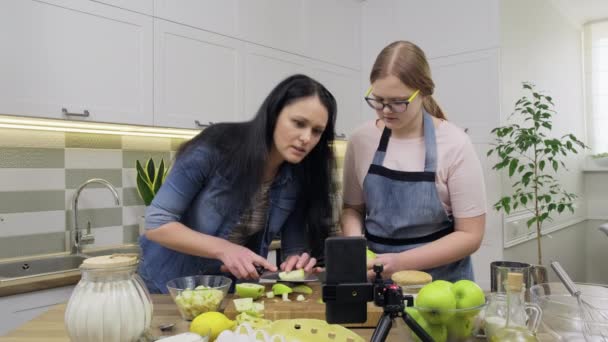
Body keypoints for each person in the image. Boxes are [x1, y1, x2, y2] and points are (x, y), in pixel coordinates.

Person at [138, 74, 337, 294]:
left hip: (227, 290)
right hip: (167, 285)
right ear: (273, 114)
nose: (306, 138)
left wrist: (298, 262)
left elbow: (294, 248)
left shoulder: (299, 176)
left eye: (317, 131)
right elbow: (157, 224)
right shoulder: (215, 147)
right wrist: (224, 249)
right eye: (298, 123)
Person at [341, 41, 486, 282]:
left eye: (398, 102)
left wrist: (400, 262)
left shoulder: (455, 143)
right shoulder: (361, 139)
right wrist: (356, 245)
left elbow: (471, 235)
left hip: (441, 285)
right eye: (378, 100)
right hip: (375, 281)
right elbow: (352, 209)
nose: (386, 111)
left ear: (425, 92)